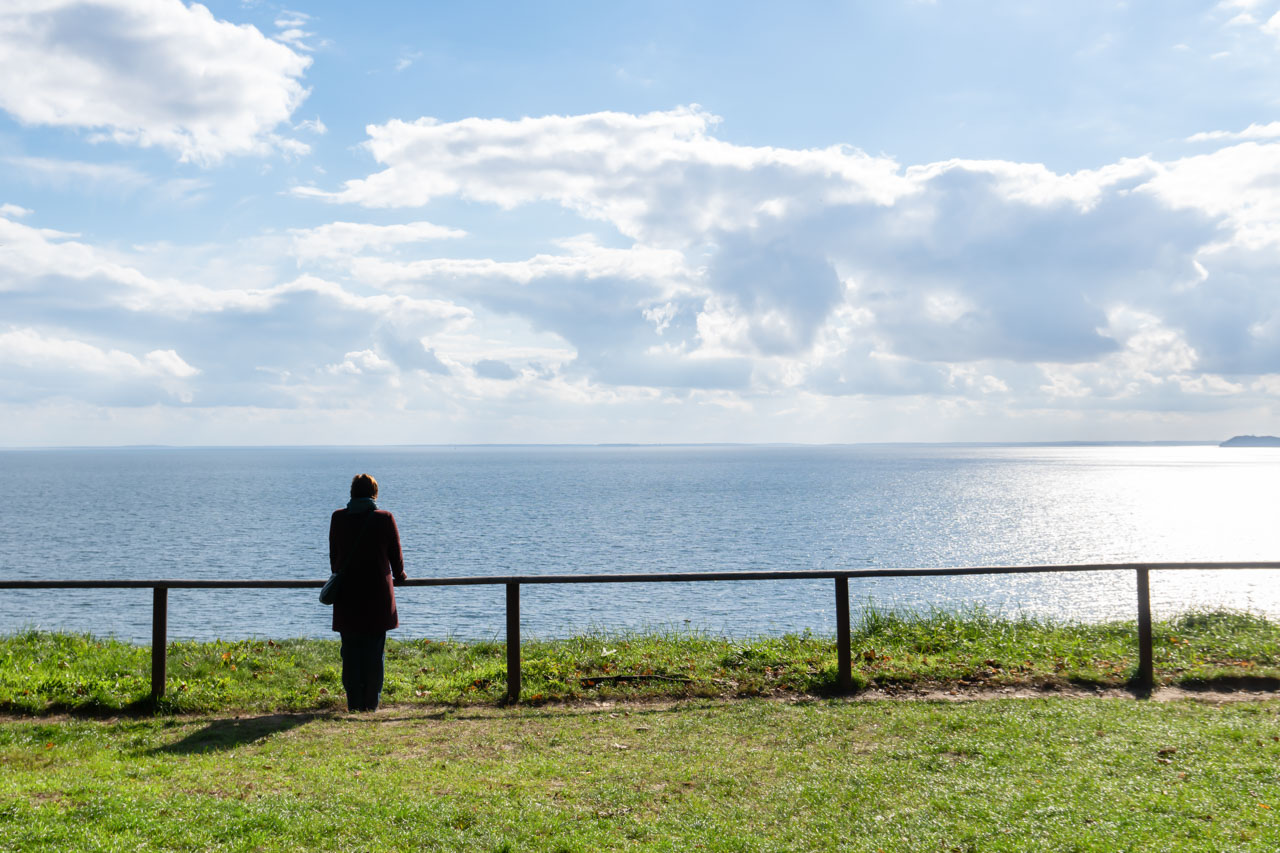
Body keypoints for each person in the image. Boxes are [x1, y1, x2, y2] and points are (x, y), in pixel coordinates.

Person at [329, 473, 406, 712]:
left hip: (347, 598)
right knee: (374, 655)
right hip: (377, 598)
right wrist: (400, 576)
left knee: (350, 655)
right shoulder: (384, 519)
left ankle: (354, 704)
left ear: (352, 492)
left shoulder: (338, 518)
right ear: (375, 493)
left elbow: (334, 560)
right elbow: (396, 558)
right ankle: (370, 705)